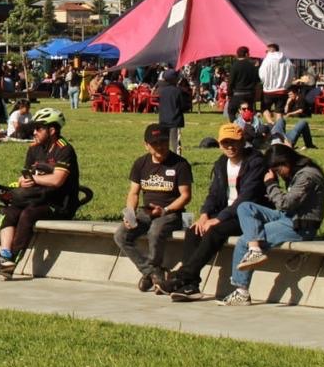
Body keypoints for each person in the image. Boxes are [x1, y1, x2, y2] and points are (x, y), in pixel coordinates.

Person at [160, 123, 268, 301]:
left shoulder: (255, 162)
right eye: (225, 143)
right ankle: (190, 286)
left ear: (242, 142)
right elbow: (214, 194)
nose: (230, 147)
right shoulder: (221, 163)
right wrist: (204, 215)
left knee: (215, 230)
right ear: (219, 144)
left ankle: (181, 276)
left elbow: (247, 197)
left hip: (249, 215)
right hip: (226, 212)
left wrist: (218, 219)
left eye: (234, 142)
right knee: (194, 230)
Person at [219, 144, 324, 306]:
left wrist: (271, 184)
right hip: (288, 217)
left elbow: (285, 203)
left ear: (286, 162)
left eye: (277, 170)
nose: (278, 174)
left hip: (300, 226)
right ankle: (255, 250)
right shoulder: (298, 172)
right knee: (245, 207)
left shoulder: (307, 176)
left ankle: (241, 292)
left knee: (243, 241)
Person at [0, 107, 80, 275]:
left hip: (58, 203)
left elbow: (57, 180)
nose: (34, 132)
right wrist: (23, 181)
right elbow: (25, 176)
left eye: (39, 128)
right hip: (34, 198)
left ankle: (12, 259)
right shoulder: (34, 148)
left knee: (28, 214)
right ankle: (5, 254)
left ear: (52, 130)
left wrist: (34, 179)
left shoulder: (64, 149)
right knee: (10, 212)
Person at [113, 123, 193, 292]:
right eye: (154, 143)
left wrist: (165, 210)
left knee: (155, 231)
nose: (160, 147)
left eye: (163, 142)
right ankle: (152, 272)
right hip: (146, 212)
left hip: (171, 213)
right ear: (146, 145)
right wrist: (130, 213)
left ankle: (151, 274)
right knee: (121, 235)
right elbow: (133, 193)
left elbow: (185, 196)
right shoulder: (140, 163)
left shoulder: (180, 164)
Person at [155, 68, 188, 153]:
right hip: (175, 121)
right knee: (175, 143)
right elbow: (184, 106)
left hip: (163, 120)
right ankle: (176, 158)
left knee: (164, 142)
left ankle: (164, 156)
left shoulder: (162, 91)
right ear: (174, 79)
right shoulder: (178, 91)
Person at [258, 43, 293, 113]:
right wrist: (286, 85)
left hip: (269, 90)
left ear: (271, 50)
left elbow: (262, 75)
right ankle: (278, 121)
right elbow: (291, 75)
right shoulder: (287, 60)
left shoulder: (267, 60)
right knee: (279, 112)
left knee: (265, 109)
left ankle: (270, 120)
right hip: (282, 90)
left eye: (267, 51)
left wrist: (266, 83)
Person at [226, 46, 258, 121]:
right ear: (246, 54)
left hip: (237, 93)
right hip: (249, 94)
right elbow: (256, 80)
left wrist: (229, 93)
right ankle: (248, 125)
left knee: (231, 111)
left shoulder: (235, 66)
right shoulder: (252, 66)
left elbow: (231, 82)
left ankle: (235, 125)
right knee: (249, 113)